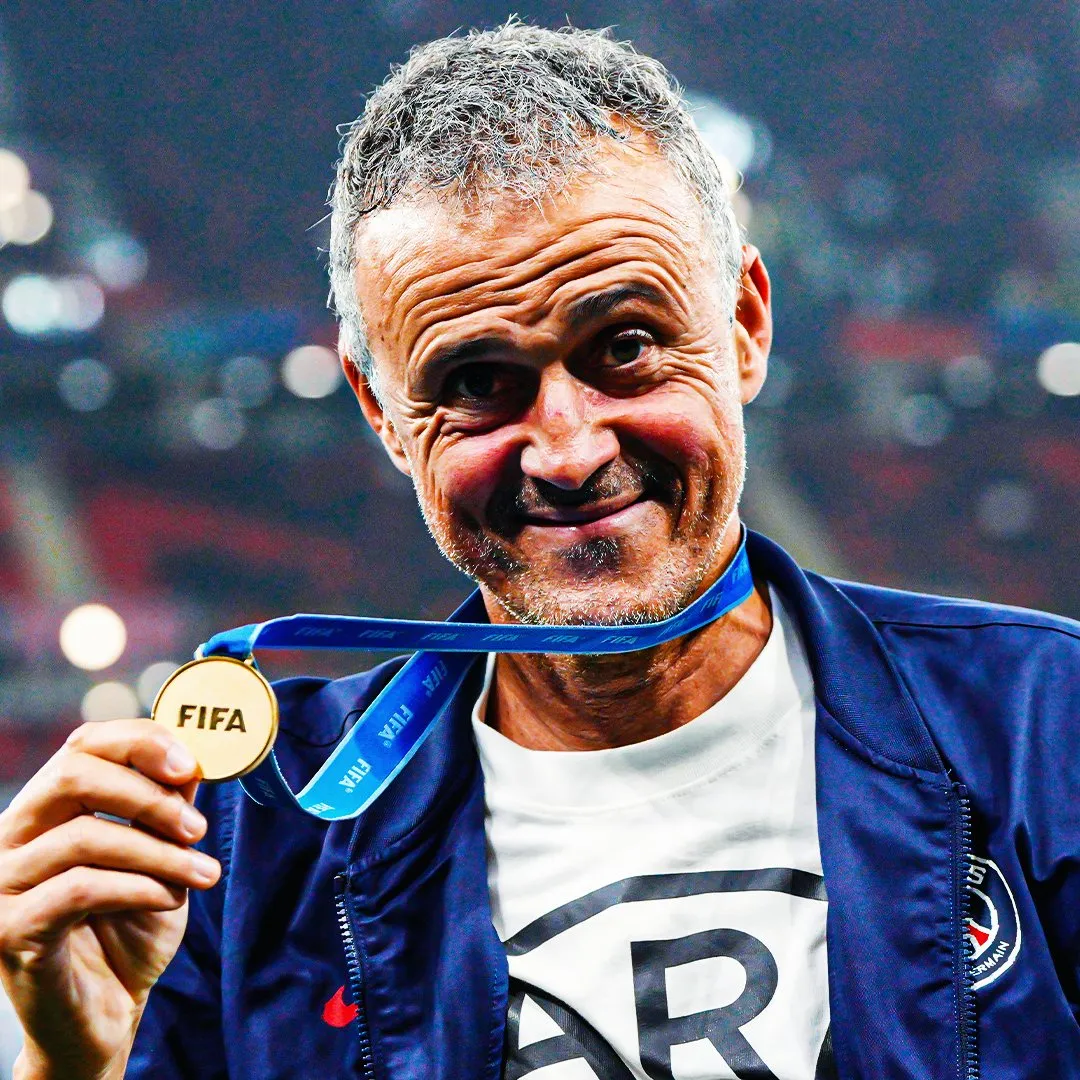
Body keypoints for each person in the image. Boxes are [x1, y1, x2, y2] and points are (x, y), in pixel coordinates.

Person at [1, 20, 1078, 1080]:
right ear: (381, 412)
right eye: (477, 383)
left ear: (747, 325)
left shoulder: (1046, 732)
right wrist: (73, 1060)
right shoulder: (234, 848)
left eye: (627, 347)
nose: (567, 452)